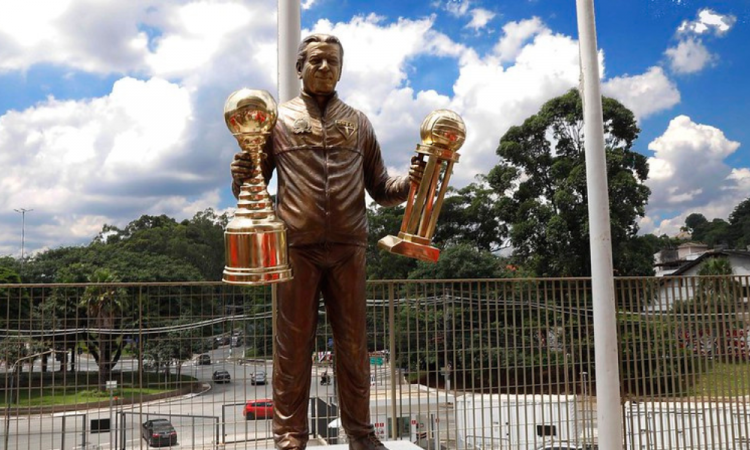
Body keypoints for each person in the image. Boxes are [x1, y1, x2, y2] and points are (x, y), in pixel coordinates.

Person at [230, 34, 423, 450]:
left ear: (340, 68)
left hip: (348, 247)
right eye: (315, 61)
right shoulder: (274, 120)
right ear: (299, 67)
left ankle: (360, 433)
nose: (324, 68)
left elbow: (381, 187)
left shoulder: (359, 122)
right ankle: (289, 436)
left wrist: (412, 181)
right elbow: (253, 190)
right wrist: (242, 170)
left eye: (332, 61)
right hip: (295, 247)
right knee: (292, 346)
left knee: (354, 346)